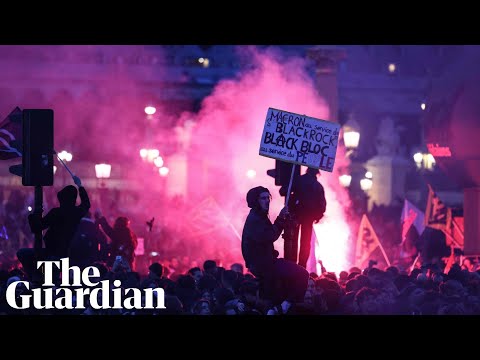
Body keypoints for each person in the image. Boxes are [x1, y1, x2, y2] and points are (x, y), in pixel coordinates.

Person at [241, 186, 309, 313]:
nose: (267, 201)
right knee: (302, 274)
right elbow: (270, 236)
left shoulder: (259, 216)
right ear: (255, 201)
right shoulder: (255, 219)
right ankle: (284, 307)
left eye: (268, 198)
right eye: (263, 198)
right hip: (264, 264)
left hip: (265, 263)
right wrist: (281, 218)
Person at [17, 175, 90, 282]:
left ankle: (35, 277)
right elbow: (86, 204)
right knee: (50, 276)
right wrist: (80, 186)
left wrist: (32, 216)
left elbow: (37, 227)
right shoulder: (76, 213)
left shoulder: (56, 212)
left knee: (22, 253)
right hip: (64, 255)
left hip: (52, 254)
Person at [282, 167, 326, 268]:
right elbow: (322, 204)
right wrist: (318, 216)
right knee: (305, 242)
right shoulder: (318, 186)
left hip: (295, 215)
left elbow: (283, 191)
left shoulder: (297, 180)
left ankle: (291, 264)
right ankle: (302, 266)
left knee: (293, 240)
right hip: (308, 218)